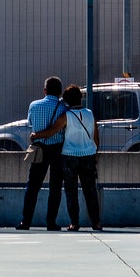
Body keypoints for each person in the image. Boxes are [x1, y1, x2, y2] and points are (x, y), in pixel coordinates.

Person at [15, 75, 67, 230]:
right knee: (56, 187)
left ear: (45, 90)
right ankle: (51, 222)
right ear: (60, 92)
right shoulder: (64, 108)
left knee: (32, 186)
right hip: (58, 148)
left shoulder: (34, 105)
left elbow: (30, 123)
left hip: (39, 149)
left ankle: (26, 221)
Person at [48, 84, 102, 232]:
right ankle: (96, 222)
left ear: (66, 101)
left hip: (69, 156)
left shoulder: (66, 116)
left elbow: (53, 131)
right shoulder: (90, 114)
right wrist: (95, 154)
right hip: (88, 156)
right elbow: (96, 137)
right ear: (81, 98)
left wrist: (37, 135)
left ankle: (74, 222)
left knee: (71, 191)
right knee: (90, 190)